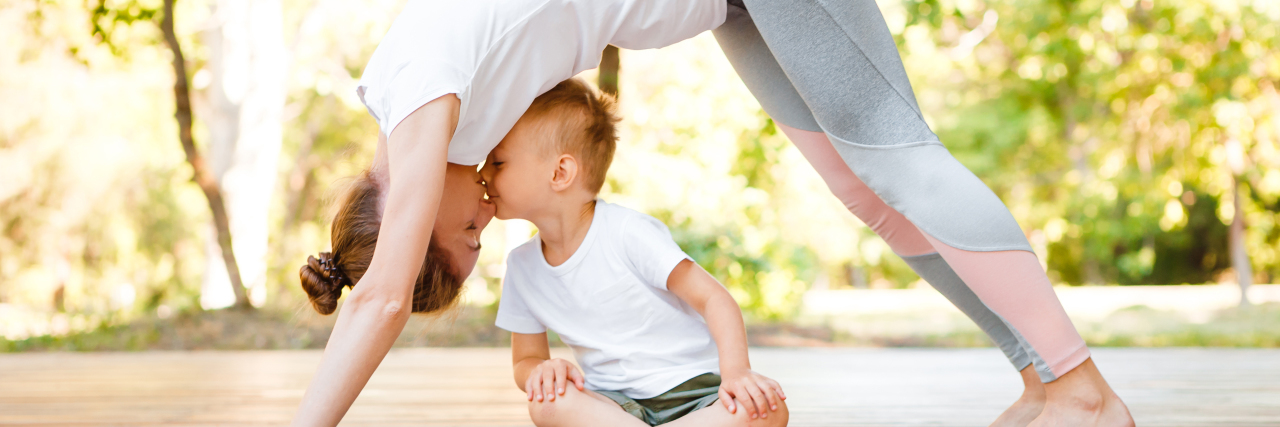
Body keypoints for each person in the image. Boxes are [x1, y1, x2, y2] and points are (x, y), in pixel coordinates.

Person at [294, 0, 1134, 424]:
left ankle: (1083, 390)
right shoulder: (433, 122)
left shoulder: (417, 103)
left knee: (895, 158)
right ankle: (1043, 376)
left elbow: (381, 298)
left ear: (396, 209)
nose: (486, 212)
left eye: (467, 231)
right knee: (861, 187)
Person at [485, 78, 787, 426]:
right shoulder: (522, 267)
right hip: (611, 406)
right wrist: (543, 370)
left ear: (560, 172)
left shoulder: (627, 232)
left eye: (498, 162)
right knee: (547, 405)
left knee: (766, 409)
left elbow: (714, 299)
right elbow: (526, 360)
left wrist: (736, 373)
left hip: (693, 392)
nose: (483, 174)